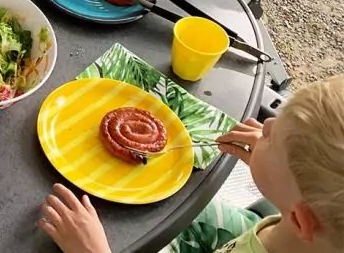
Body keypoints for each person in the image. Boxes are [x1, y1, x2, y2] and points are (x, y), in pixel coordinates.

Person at [38, 75, 344, 253]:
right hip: (253, 234)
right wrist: (276, 169)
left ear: (302, 219)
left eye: (272, 137)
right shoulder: (321, 227)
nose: (266, 125)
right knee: (183, 205)